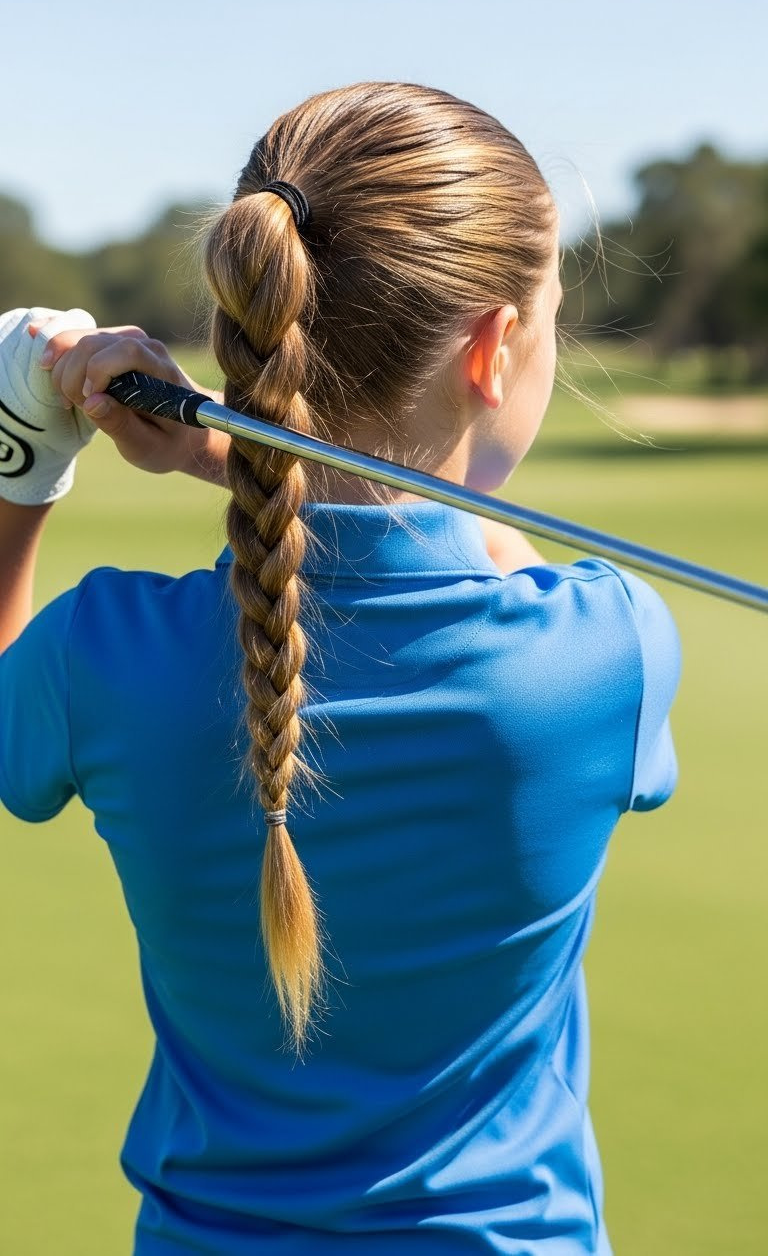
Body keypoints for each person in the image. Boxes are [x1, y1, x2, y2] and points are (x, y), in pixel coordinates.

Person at [0, 80, 681, 1255]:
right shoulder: (609, 648)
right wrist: (237, 457)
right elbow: (480, 553)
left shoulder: (103, 653)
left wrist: (24, 466)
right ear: (497, 346)